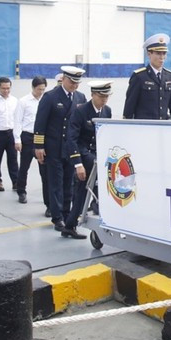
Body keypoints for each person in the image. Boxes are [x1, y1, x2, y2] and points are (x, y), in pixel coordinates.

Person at [34, 66, 86, 231]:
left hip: (71, 148)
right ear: (63, 79)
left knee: (69, 182)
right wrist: (39, 146)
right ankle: (57, 217)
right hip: (54, 146)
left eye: (77, 82)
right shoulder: (51, 97)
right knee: (56, 183)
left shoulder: (80, 97)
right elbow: (40, 122)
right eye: (72, 82)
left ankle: (66, 212)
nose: (74, 85)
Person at [61, 81, 112, 239]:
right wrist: (78, 164)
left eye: (106, 96)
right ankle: (96, 211)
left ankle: (70, 225)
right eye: (101, 96)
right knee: (87, 188)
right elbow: (72, 139)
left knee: (84, 190)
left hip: (99, 155)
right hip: (84, 154)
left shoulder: (107, 111)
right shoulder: (81, 111)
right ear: (93, 95)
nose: (104, 100)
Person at [123, 33, 171, 120]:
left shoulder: (169, 76)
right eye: (158, 53)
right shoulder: (139, 77)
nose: (162, 57)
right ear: (149, 54)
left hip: (163, 127)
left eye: (164, 53)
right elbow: (129, 107)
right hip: (145, 128)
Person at [14, 75, 48, 207]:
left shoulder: (46, 100)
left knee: (44, 169)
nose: (41, 92)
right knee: (24, 166)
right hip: (27, 137)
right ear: (33, 88)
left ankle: (47, 197)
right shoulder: (23, 101)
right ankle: (21, 191)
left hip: (42, 138)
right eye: (39, 89)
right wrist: (17, 139)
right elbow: (17, 121)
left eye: (43, 89)